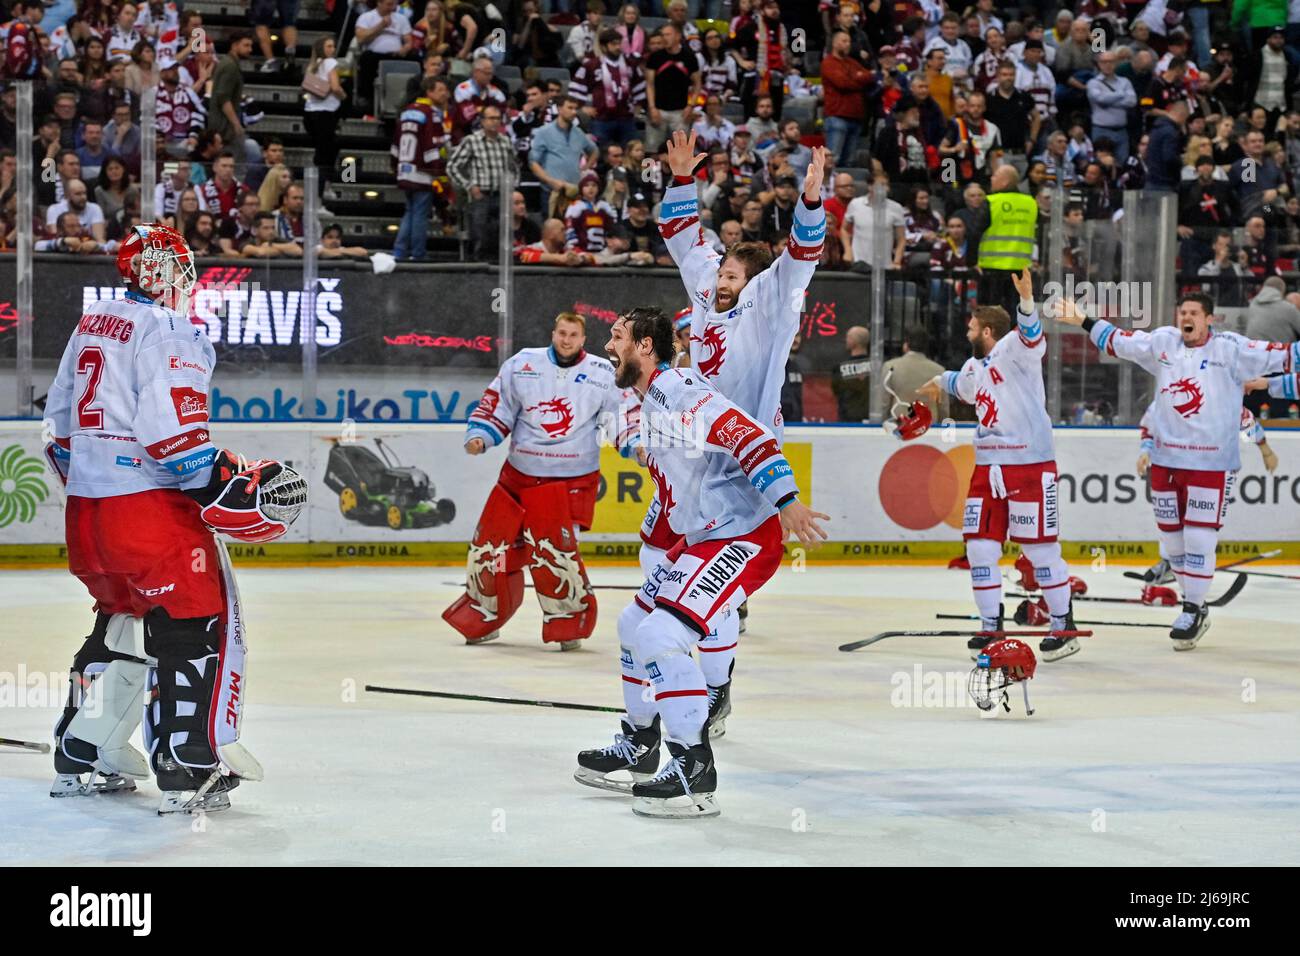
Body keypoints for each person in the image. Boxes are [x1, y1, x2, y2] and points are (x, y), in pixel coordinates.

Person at [42, 222, 305, 813]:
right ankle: (188, 766)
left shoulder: (95, 318)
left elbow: (56, 428)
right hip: (148, 512)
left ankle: (82, 752)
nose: (188, 281)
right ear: (164, 272)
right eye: (184, 268)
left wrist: (92, 484)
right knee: (191, 624)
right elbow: (176, 442)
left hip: (86, 514)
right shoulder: (170, 330)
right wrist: (230, 477)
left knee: (119, 622)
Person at [575, 306, 827, 817]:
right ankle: (642, 744)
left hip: (743, 538)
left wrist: (788, 502)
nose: (607, 347)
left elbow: (750, 436)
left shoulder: (677, 392)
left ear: (645, 346)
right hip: (703, 538)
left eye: (617, 336)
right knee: (634, 624)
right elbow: (682, 480)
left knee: (661, 636)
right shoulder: (652, 398)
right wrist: (676, 539)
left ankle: (694, 768)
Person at [651, 129, 827, 731]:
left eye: (733, 275)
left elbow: (802, 255)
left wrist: (811, 201)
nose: (723, 280)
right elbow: (679, 234)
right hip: (690, 446)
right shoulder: (707, 284)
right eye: (723, 271)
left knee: (713, 578)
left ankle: (715, 684)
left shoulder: (773, 299)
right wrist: (680, 179)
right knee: (661, 549)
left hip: (744, 456)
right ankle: (664, 661)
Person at [1053, 290, 1300, 647]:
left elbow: (1288, 355)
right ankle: (1195, 603)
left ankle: (1193, 606)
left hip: (1210, 464)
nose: (1186, 317)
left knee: (1200, 538)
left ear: (1209, 319)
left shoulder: (1232, 349)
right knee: (1173, 543)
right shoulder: (1163, 343)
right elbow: (1121, 342)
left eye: (1194, 312)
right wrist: (1084, 321)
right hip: (1166, 461)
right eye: (1182, 311)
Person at [920, 269, 1080, 662]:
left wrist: (1026, 299)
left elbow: (1031, 333)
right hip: (988, 468)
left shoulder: (1015, 348)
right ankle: (991, 622)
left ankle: (1063, 625)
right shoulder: (977, 367)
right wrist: (934, 384)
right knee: (979, 548)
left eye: (972, 327)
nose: (967, 332)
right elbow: (960, 381)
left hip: (1029, 465)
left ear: (987, 330)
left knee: (1040, 550)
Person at [443, 313, 625, 650]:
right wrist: (481, 435)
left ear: (584, 339)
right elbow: (497, 406)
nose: (566, 340)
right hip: (518, 477)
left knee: (554, 555)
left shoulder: (603, 374)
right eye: (561, 333)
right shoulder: (522, 364)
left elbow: (619, 419)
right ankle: (483, 616)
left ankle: (568, 624)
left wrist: (633, 442)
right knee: (489, 550)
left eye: (573, 334)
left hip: (570, 481)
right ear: (553, 333)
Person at [391, 75, 452, 262]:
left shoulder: (407, 110)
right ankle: (418, 254)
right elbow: (433, 145)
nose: (445, 94)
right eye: (440, 90)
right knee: (419, 214)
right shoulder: (431, 114)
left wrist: (394, 165)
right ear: (429, 92)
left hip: (405, 168)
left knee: (410, 212)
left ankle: (399, 252)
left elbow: (396, 142)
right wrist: (438, 171)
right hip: (422, 172)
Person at [447, 103, 518, 262]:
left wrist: (513, 187)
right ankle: (478, 271)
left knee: (502, 236)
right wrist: (469, 186)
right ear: (482, 121)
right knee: (480, 237)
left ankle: (499, 268)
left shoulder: (505, 142)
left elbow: (514, 167)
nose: (495, 122)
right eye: (491, 118)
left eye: (498, 118)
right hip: (481, 197)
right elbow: (452, 167)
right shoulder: (471, 141)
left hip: (502, 196)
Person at [643, 22, 701, 154]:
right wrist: (652, 108)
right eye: (663, 35)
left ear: (677, 36)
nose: (664, 38)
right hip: (658, 110)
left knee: (681, 152)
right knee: (652, 151)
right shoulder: (655, 57)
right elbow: (649, 84)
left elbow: (697, 83)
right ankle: (648, 175)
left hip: (680, 112)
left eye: (668, 34)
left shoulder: (689, 57)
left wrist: (691, 105)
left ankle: (679, 175)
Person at [302, 36, 346, 199]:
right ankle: (322, 191)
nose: (332, 50)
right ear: (321, 48)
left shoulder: (313, 65)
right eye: (329, 46)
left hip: (310, 113)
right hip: (326, 114)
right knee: (325, 154)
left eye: (333, 46)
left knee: (327, 150)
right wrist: (343, 95)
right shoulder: (329, 63)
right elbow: (335, 87)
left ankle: (324, 186)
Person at [354, 0, 413, 117]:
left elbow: (409, 41)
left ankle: (412, 97)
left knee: (415, 59)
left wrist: (405, 49)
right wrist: (380, 26)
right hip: (374, 56)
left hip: (395, 55)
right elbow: (361, 39)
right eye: (389, 4)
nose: (392, 8)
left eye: (394, 4)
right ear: (379, 3)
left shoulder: (401, 19)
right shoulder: (366, 17)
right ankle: (366, 97)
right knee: (366, 59)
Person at [881, 324, 946, 422]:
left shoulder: (890, 367)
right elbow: (943, 407)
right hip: (929, 427)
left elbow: (884, 404)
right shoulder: (939, 370)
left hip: (900, 426)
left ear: (906, 344)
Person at [831, 324, 872, 422]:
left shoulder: (840, 368)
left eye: (848, 337)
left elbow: (836, 391)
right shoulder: (877, 366)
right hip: (870, 419)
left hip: (846, 420)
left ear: (854, 341)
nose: (846, 340)